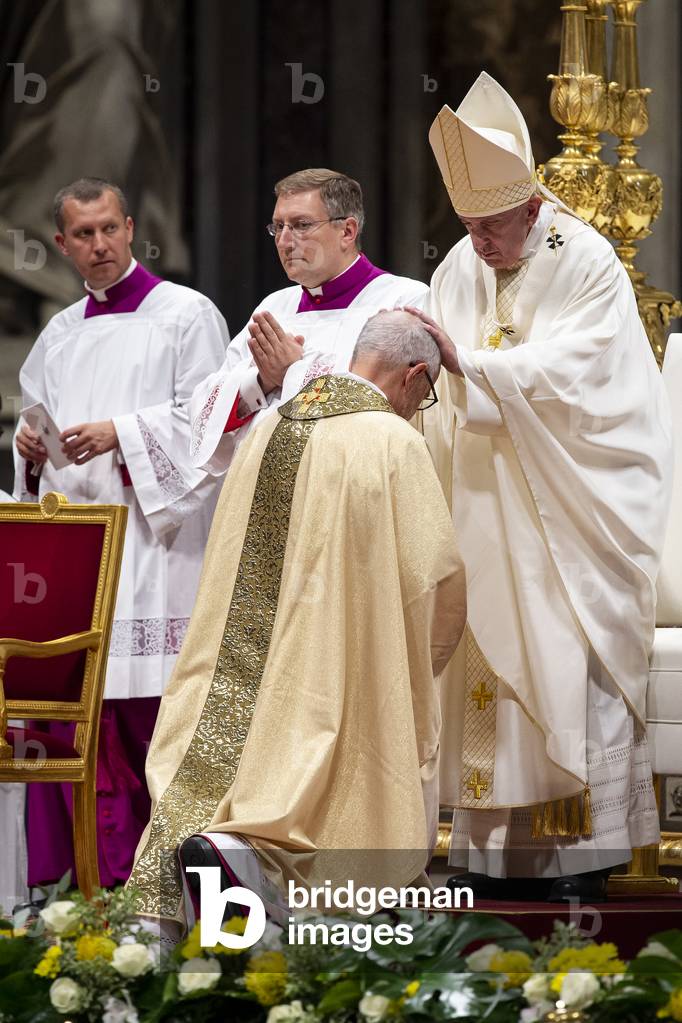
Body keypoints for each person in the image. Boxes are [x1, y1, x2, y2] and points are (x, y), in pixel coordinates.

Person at [410, 71, 673, 902]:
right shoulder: (459, 262)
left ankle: (577, 871)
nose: (480, 244)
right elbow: (441, 363)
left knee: (565, 666)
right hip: (482, 506)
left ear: (531, 207)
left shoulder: (586, 259)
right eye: (468, 226)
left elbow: (582, 373)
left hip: (569, 516)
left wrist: (473, 369)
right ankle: (488, 866)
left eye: (492, 226)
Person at [129, 310, 466, 929]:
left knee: (236, 761)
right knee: (329, 789)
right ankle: (274, 881)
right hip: (341, 659)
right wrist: (415, 659)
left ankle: (211, 876)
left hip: (240, 657)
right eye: (427, 393)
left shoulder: (268, 426)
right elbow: (435, 577)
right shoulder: (392, 440)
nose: (422, 406)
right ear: (414, 374)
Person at [12, 177, 228, 889]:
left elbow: (212, 429)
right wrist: (29, 452)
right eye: (83, 234)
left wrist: (122, 434)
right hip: (87, 567)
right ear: (62, 244)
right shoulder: (60, 333)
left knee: (157, 733)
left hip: (160, 554)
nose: (100, 245)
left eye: (110, 229)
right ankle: (97, 892)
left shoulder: (186, 315)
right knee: (90, 735)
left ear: (131, 227)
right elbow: (36, 433)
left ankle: (176, 892)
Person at [189, 168, 428, 474]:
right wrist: (262, 381)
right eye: (278, 227)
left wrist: (292, 371)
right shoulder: (274, 307)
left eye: (301, 225)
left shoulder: (404, 302)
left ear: (347, 231)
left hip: (350, 482)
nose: (285, 241)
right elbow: (207, 406)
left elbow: (390, 404)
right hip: (262, 485)